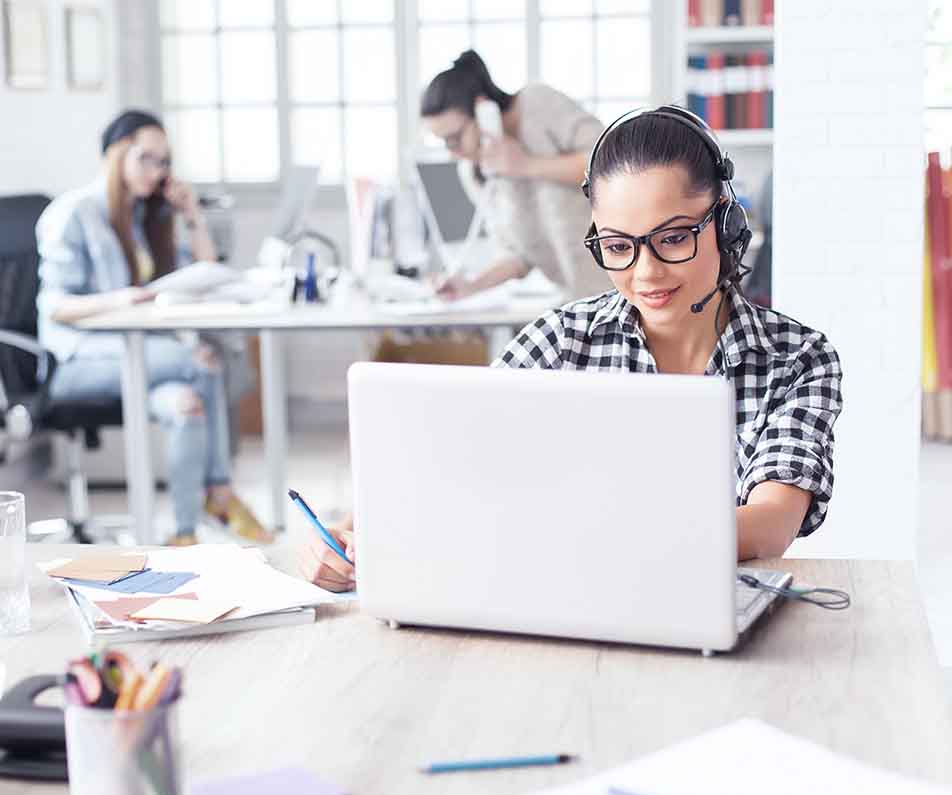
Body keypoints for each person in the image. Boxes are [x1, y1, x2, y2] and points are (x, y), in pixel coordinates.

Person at [298, 105, 842, 591]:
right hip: (564, 602)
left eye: (674, 237)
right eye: (618, 246)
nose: (646, 272)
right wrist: (346, 531)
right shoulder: (560, 340)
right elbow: (445, 457)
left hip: (705, 608)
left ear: (726, 221)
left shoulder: (796, 359)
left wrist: (587, 534)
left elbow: (771, 525)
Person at [36, 109, 272, 546]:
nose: (157, 171)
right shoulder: (72, 213)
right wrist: (120, 298)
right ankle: (219, 493)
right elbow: (54, 306)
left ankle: (184, 533)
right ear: (115, 154)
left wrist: (191, 213)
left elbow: (204, 271)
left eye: (164, 162)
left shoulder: (144, 218)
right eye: (146, 158)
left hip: (141, 358)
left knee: (186, 404)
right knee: (203, 361)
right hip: (80, 360)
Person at [420, 50, 606, 301]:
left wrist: (526, 165)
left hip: (622, 287)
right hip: (578, 302)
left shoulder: (536, 103)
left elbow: (610, 162)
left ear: (482, 109)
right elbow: (518, 256)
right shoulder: (477, 173)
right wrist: (470, 286)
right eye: (444, 143)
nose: (453, 153)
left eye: (455, 139)